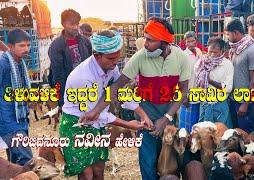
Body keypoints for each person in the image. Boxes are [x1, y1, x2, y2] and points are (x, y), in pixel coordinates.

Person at [79, 17, 191, 180]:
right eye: (145, 38)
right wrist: (95, 111)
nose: (145, 43)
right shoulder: (140, 57)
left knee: (168, 160)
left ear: (164, 42)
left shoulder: (181, 57)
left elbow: (184, 90)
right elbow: (116, 86)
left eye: (150, 40)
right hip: (145, 115)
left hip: (169, 113)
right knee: (148, 160)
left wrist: (167, 118)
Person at [60, 30, 152, 179]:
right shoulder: (82, 77)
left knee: (99, 169)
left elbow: (120, 92)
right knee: (86, 173)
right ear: (97, 56)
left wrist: (143, 114)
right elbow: (96, 114)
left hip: (97, 124)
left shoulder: (111, 67)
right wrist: (129, 125)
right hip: (77, 124)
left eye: (117, 57)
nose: (115, 62)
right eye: (111, 58)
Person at [0, 29, 33, 165]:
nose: (26, 49)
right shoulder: (3, 63)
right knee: (26, 159)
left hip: (20, 118)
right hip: (7, 120)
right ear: (11, 46)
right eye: (21, 45)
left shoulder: (19, 62)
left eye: (28, 45)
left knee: (15, 161)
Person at [48, 9, 92, 108]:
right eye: (72, 24)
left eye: (77, 24)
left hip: (86, 89)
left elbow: (90, 65)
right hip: (68, 90)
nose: (76, 27)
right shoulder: (56, 46)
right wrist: (63, 102)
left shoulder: (85, 41)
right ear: (63, 24)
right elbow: (58, 75)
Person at [225, 19, 254, 133]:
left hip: (243, 102)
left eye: (228, 34)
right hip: (233, 99)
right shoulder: (235, 48)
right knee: (234, 134)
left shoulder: (251, 51)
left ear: (235, 33)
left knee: (246, 134)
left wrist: (245, 104)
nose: (227, 37)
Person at [196, 37, 234, 128]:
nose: (212, 55)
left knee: (220, 132)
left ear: (222, 51)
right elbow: (196, 78)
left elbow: (228, 88)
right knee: (204, 135)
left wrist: (210, 81)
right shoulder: (202, 62)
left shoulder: (227, 64)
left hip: (219, 105)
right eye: (210, 52)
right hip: (205, 103)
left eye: (215, 52)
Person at [179, 31, 202, 132]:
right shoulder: (183, 56)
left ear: (196, 41)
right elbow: (181, 77)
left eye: (193, 41)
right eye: (188, 42)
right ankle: (185, 144)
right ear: (185, 43)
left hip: (199, 91)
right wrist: (184, 96)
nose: (191, 44)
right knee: (186, 121)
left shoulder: (199, 52)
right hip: (188, 93)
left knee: (197, 120)